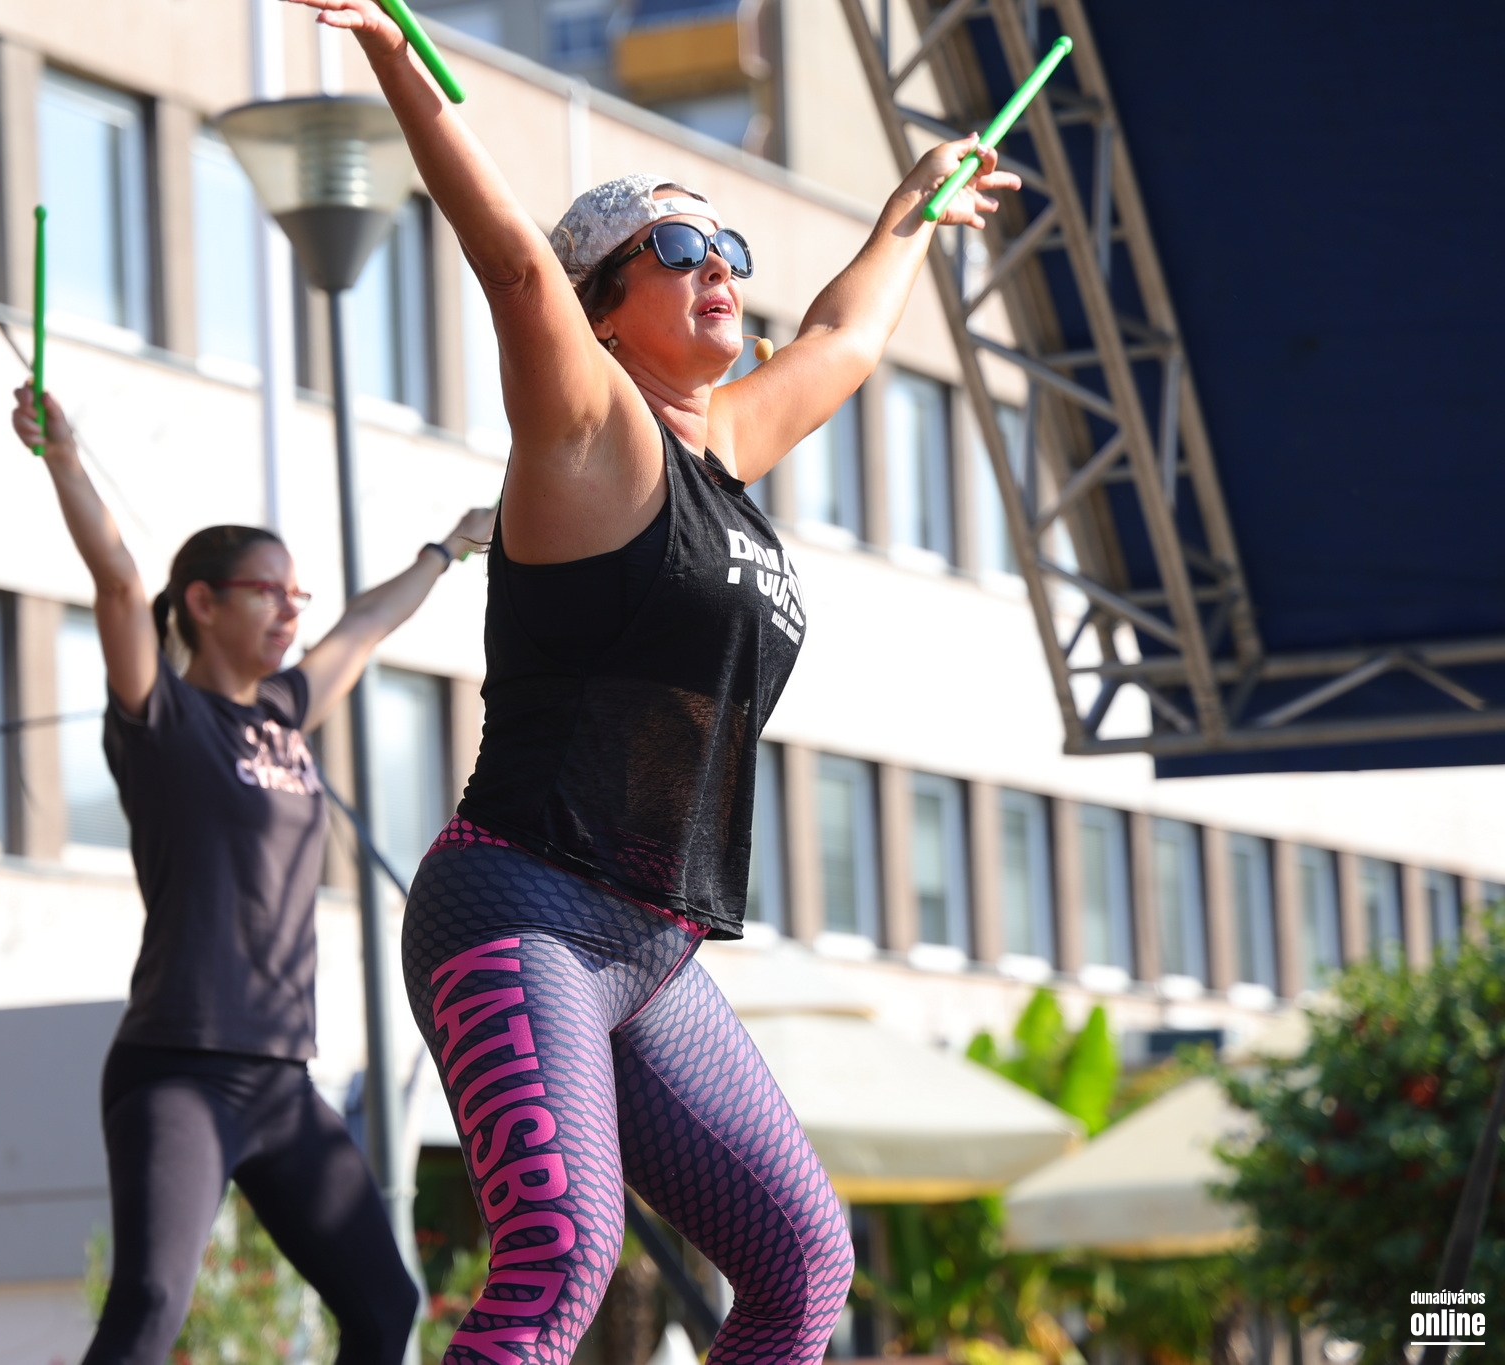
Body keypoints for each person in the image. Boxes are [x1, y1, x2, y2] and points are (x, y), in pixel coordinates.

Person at [283, 3, 1024, 1362]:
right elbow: (514, 266)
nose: (718, 267)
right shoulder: (587, 437)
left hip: (651, 944)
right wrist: (393, 52)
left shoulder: (720, 448)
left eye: (729, 248)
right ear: (603, 309)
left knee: (803, 1267)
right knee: (562, 1256)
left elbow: (847, 336)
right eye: (677, 250)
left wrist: (913, 205)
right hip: (518, 907)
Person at [11, 383, 493, 1365]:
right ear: (203, 602)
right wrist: (64, 457)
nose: (289, 610)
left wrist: (448, 547)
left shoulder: (283, 712)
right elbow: (117, 584)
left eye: (294, 595)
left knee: (384, 1306)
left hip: (280, 1079)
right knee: (151, 1301)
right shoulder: (160, 717)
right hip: (178, 1067)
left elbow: (364, 625)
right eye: (267, 591)